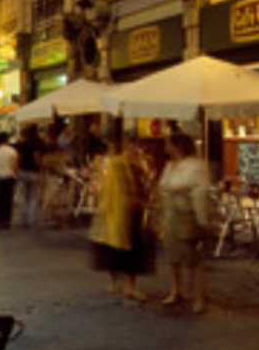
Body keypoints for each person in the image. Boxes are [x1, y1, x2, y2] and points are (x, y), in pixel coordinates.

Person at [88, 131, 153, 302]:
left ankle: (124, 284)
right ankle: (122, 283)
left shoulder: (134, 162)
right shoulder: (118, 163)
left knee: (126, 248)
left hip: (127, 212)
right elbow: (113, 188)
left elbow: (143, 184)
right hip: (120, 212)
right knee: (121, 249)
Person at [158, 133, 211, 313]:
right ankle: (176, 290)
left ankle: (198, 296)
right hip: (171, 211)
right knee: (173, 254)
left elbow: (201, 187)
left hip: (187, 212)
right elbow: (163, 185)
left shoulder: (196, 165)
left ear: (178, 146)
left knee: (191, 256)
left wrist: (178, 187)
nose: (166, 148)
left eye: (169, 144)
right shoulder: (171, 165)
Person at [15, 125, 45, 229]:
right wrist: (41, 167)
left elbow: (18, 158)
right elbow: (36, 156)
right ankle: (31, 220)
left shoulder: (23, 143)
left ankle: (23, 219)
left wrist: (17, 170)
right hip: (34, 172)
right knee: (34, 197)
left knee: (23, 196)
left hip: (23, 172)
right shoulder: (38, 142)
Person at [0, 133, 19, 230]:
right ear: (7, 140)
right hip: (9, 177)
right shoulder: (12, 151)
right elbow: (15, 165)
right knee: (7, 200)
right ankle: (6, 220)